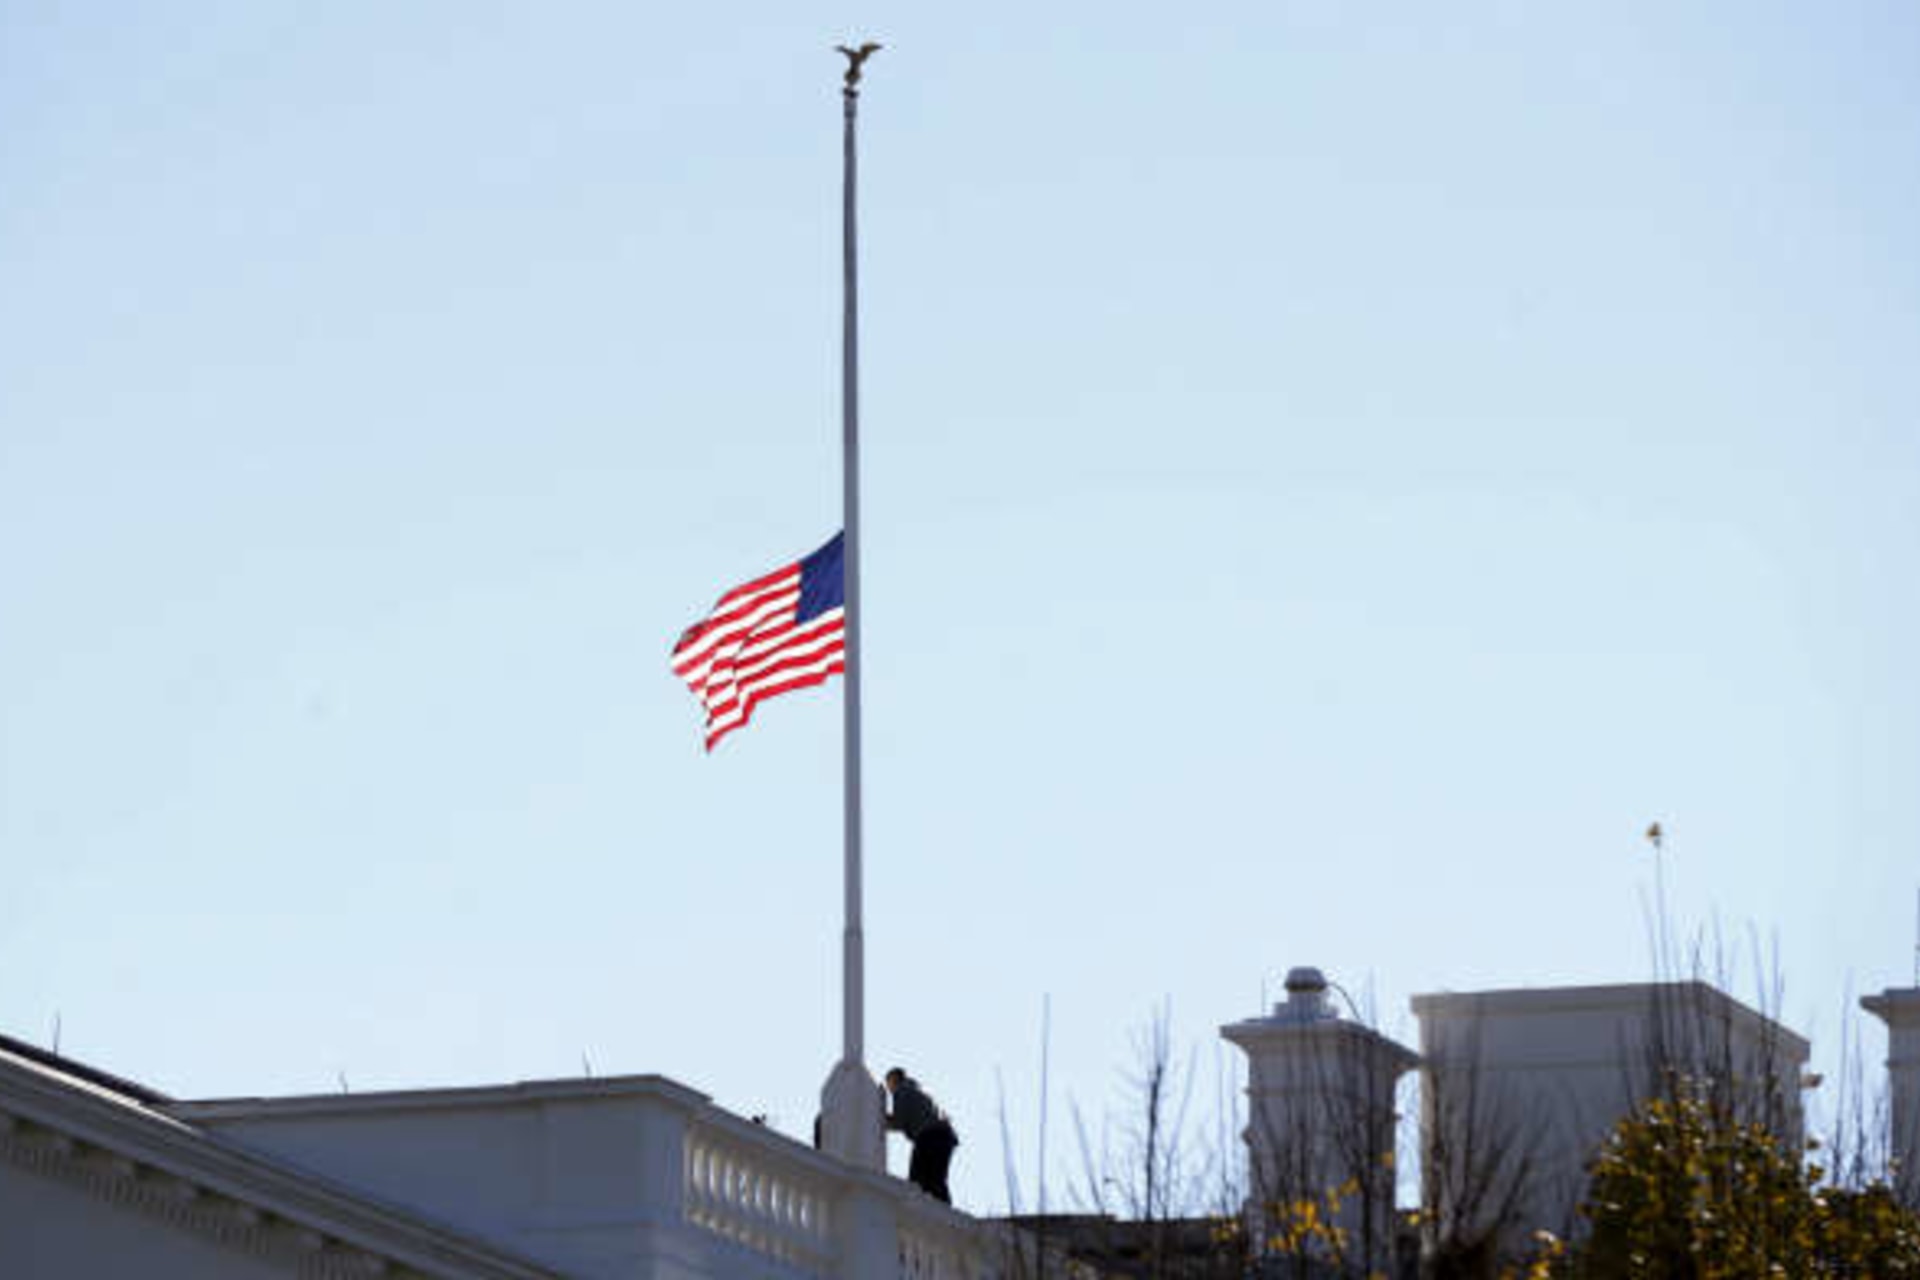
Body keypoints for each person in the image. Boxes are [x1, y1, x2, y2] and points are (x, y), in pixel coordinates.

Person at [884, 1067, 959, 1203]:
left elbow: (899, 1121)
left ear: (894, 1080)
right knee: (936, 1179)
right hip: (944, 1136)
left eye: (889, 1083)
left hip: (929, 1136)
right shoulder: (918, 1090)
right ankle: (945, 1213)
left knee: (917, 1182)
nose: (889, 1089)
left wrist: (879, 1120)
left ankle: (933, 1215)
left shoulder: (901, 1091)